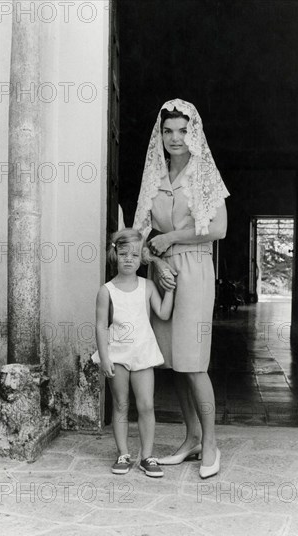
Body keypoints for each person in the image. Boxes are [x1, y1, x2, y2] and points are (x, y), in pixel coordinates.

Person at [134, 98, 229, 479]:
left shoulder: (204, 174)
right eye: (168, 131)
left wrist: (170, 236)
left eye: (183, 131)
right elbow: (139, 236)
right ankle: (190, 438)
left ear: (195, 134)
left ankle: (211, 444)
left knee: (194, 362)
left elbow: (219, 229)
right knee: (173, 361)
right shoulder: (154, 178)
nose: (175, 138)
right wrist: (155, 260)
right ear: (160, 135)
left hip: (195, 269)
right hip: (164, 270)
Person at [91, 228, 174, 477]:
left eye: (135, 255)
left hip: (142, 353)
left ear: (141, 258)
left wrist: (169, 289)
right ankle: (123, 454)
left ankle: (147, 456)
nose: (129, 259)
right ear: (115, 255)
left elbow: (163, 313)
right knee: (120, 404)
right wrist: (104, 357)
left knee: (146, 405)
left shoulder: (147, 286)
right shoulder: (107, 290)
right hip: (117, 355)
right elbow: (100, 325)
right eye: (124, 254)